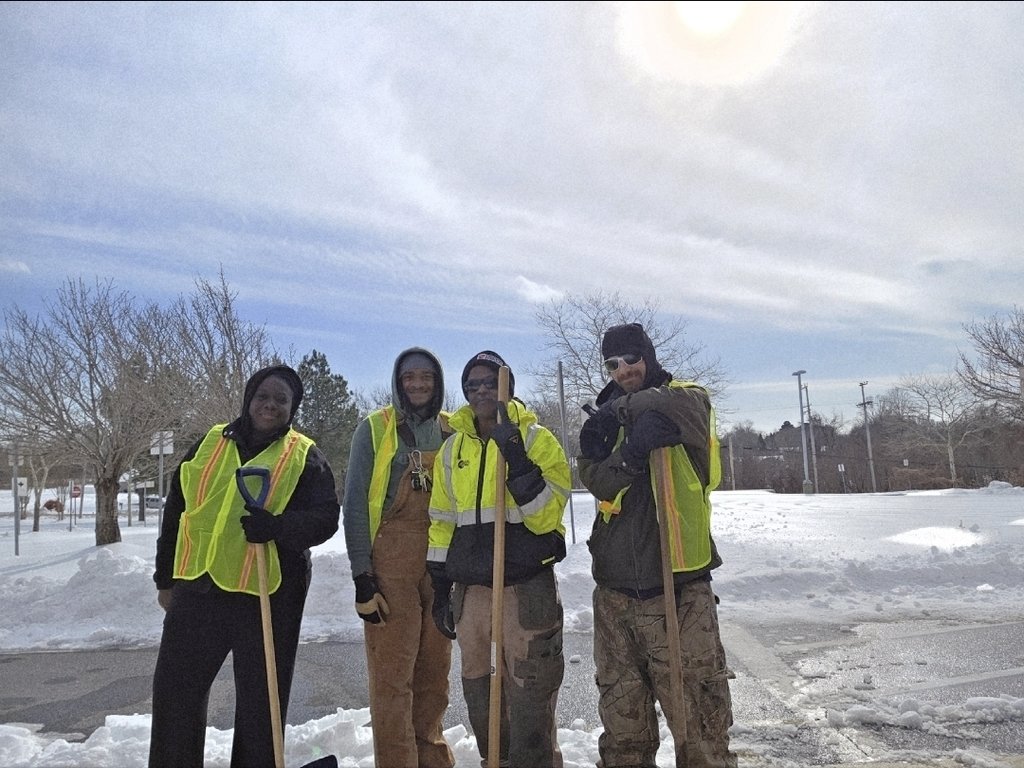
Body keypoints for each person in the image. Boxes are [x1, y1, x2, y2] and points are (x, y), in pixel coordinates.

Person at [149, 365, 340, 768]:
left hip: (267, 594)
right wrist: (165, 577)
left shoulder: (304, 455)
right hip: (198, 589)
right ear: (249, 398)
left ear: (292, 408)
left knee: (261, 703)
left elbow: (326, 519)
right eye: (263, 396)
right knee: (176, 695)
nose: (270, 405)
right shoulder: (209, 443)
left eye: (281, 400)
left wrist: (278, 528)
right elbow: (177, 510)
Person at [577, 323, 737, 768]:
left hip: (680, 588)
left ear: (647, 354)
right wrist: (628, 450)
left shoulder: (686, 399)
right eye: (613, 364)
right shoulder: (602, 421)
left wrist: (618, 411)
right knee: (624, 735)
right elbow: (597, 480)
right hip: (616, 594)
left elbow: (681, 407)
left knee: (700, 733)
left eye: (631, 358)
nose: (624, 370)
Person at [427, 351, 569, 768]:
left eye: (490, 382)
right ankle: (497, 760)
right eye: (472, 385)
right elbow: (441, 520)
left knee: (529, 689)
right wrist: (439, 586)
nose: (481, 391)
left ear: (508, 387)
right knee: (479, 688)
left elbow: (547, 518)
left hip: (525, 583)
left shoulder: (537, 440)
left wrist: (519, 462)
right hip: (472, 587)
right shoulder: (454, 448)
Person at [342, 347, 455, 768]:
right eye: (409, 377)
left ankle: (433, 759)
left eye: (426, 376)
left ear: (438, 382)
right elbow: (354, 506)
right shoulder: (374, 429)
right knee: (393, 679)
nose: (418, 384)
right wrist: (362, 577)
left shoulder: (450, 431)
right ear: (398, 381)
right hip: (390, 563)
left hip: (440, 562)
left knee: (434, 677)